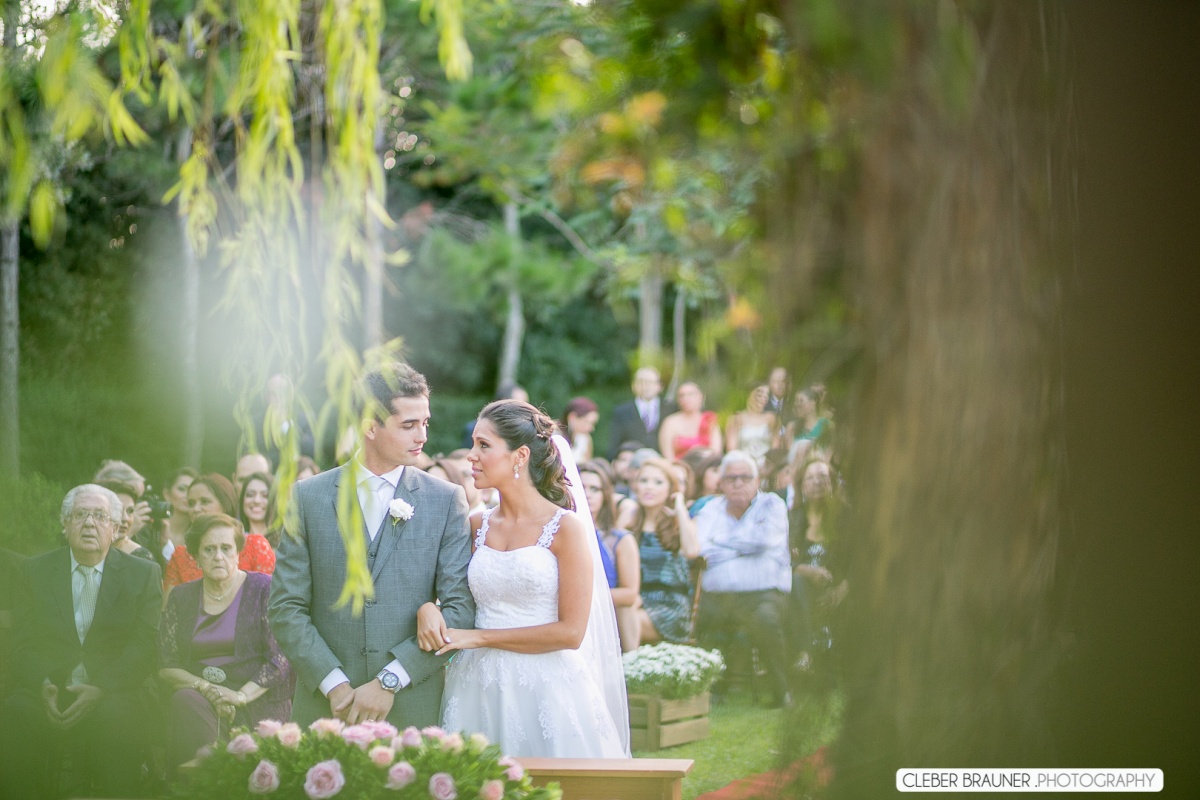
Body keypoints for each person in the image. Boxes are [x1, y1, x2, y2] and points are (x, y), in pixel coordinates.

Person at [269, 363, 474, 728]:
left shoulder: (445, 500)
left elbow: (460, 609)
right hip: (326, 710)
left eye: (425, 422)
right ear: (369, 427)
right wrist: (334, 685)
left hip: (412, 707)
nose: (423, 436)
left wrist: (390, 680)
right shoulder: (308, 497)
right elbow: (286, 607)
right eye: (408, 425)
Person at [421, 400, 629, 757]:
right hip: (476, 683)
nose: (471, 455)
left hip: (547, 684)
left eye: (484, 445)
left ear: (519, 456)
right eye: (473, 443)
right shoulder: (475, 525)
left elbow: (571, 633)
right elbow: (447, 595)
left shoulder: (565, 528)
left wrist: (479, 637)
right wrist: (428, 607)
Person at [0, 485, 161, 800]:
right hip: (49, 685)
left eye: (100, 516)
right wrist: (43, 683)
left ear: (115, 529)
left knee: (119, 718)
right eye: (80, 515)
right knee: (16, 712)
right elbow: (22, 644)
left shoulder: (143, 574)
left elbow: (143, 648)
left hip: (114, 688)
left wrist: (101, 687)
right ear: (65, 525)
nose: (89, 523)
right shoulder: (34, 571)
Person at [158, 513, 294, 773]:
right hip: (202, 700)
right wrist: (207, 688)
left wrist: (239, 696)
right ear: (196, 556)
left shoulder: (263, 589)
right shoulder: (181, 597)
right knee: (185, 701)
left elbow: (281, 658)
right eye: (209, 549)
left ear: (237, 552)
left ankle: (212, 774)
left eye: (226, 548)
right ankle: (201, 782)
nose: (218, 556)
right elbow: (166, 665)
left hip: (256, 702)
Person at [694, 451, 792, 707]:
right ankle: (715, 690)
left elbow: (763, 540)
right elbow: (702, 549)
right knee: (708, 619)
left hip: (765, 594)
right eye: (731, 478)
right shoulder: (710, 509)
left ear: (757, 481)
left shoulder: (772, 505)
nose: (738, 483)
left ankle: (780, 691)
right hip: (719, 596)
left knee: (766, 620)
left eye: (745, 477)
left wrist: (721, 545)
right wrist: (744, 549)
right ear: (721, 483)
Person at [617, 457, 699, 644]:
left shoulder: (680, 522)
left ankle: (631, 661)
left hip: (670, 605)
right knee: (622, 608)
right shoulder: (629, 520)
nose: (649, 487)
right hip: (635, 599)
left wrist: (679, 507)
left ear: (670, 489)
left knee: (626, 617)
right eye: (644, 481)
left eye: (658, 482)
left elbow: (692, 551)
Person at [163, 474, 275, 593]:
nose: (196, 509)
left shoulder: (255, 546)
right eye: (191, 503)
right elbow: (171, 602)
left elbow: (271, 596)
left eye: (204, 502)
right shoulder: (181, 555)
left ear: (225, 504)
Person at [789, 455, 847, 672]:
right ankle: (805, 653)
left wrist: (842, 589)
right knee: (797, 582)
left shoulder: (846, 517)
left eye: (822, 477)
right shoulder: (792, 518)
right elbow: (780, 560)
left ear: (832, 483)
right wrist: (804, 570)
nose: (817, 482)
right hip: (799, 587)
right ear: (802, 486)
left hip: (838, 586)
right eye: (810, 478)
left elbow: (857, 560)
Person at [580, 460, 642, 653]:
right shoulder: (554, 532)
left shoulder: (619, 539)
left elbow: (630, 594)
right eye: (581, 487)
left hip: (604, 617)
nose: (587, 494)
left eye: (595, 489)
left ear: (605, 495)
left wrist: (582, 597)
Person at [607, 366, 676, 459]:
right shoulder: (622, 412)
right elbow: (614, 443)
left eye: (650, 382)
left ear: (660, 386)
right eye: (641, 382)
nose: (645, 386)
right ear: (633, 386)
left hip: (664, 461)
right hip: (633, 462)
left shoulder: (671, 408)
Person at [659, 381, 723, 462]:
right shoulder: (670, 422)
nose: (686, 399)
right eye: (681, 395)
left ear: (700, 396)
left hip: (707, 465)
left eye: (690, 394)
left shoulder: (709, 421)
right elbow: (668, 456)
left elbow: (716, 451)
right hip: (678, 467)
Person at [96, 481, 156, 562]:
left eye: (130, 511)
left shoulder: (142, 558)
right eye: (118, 510)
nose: (126, 518)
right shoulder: (80, 550)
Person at [725, 384, 780, 468]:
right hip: (743, 466)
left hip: (766, 467)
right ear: (748, 394)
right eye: (759, 394)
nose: (764, 397)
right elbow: (731, 450)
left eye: (767, 395)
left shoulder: (772, 419)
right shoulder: (736, 419)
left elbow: (775, 447)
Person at [238, 471, 276, 545]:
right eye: (250, 494)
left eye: (265, 495)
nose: (256, 500)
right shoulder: (236, 541)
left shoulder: (285, 542)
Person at [562, 395, 600, 462]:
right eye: (587, 422)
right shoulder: (554, 435)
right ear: (572, 417)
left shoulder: (586, 439)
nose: (591, 428)